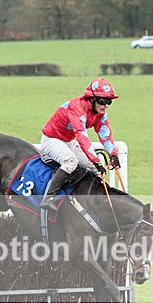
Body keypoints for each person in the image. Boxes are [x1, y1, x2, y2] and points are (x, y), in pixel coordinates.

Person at [39, 78, 120, 211]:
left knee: (94, 170)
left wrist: (113, 154)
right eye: (102, 101)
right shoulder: (76, 107)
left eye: (109, 102)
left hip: (68, 141)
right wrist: (96, 161)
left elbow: (105, 136)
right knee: (71, 162)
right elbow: (82, 137)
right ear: (92, 99)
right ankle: (48, 198)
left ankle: (98, 204)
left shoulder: (101, 114)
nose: (106, 105)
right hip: (51, 139)